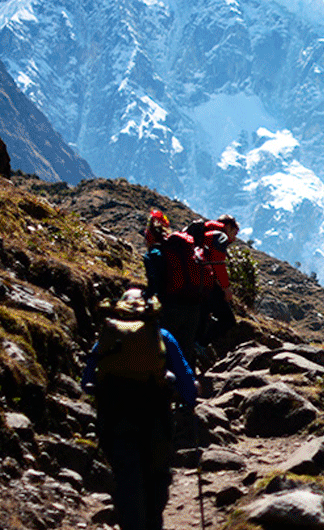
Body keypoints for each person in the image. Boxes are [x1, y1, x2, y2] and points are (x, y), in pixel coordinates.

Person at [81, 288, 198, 530]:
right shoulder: (160, 334)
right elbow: (185, 375)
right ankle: (153, 522)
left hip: (114, 412)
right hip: (155, 411)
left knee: (123, 473)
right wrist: (189, 398)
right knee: (158, 474)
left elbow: (87, 378)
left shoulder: (109, 333)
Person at [195, 215, 240, 350]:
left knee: (202, 315)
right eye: (234, 232)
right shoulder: (219, 236)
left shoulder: (203, 233)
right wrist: (226, 288)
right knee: (228, 320)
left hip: (194, 281)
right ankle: (201, 345)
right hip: (205, 283)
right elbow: (218, 264)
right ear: (227, 227)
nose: (234, 238)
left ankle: (195, 344)